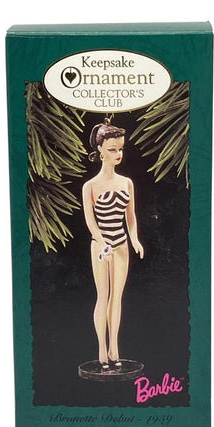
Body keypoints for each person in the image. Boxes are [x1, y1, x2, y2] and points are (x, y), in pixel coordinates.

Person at [82, 119, 144, 371]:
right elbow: (90, 221)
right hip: (101, 247)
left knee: (116, 298)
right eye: (112, 149)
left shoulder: (126, 182)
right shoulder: (90, 186)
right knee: (103, 296)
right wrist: (101, 241)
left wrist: (135, 238)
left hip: (121, 244)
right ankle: (101, 348)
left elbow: (131, 216)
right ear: (100, 150)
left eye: (120, 149)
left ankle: (114, 347)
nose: (118, 154)